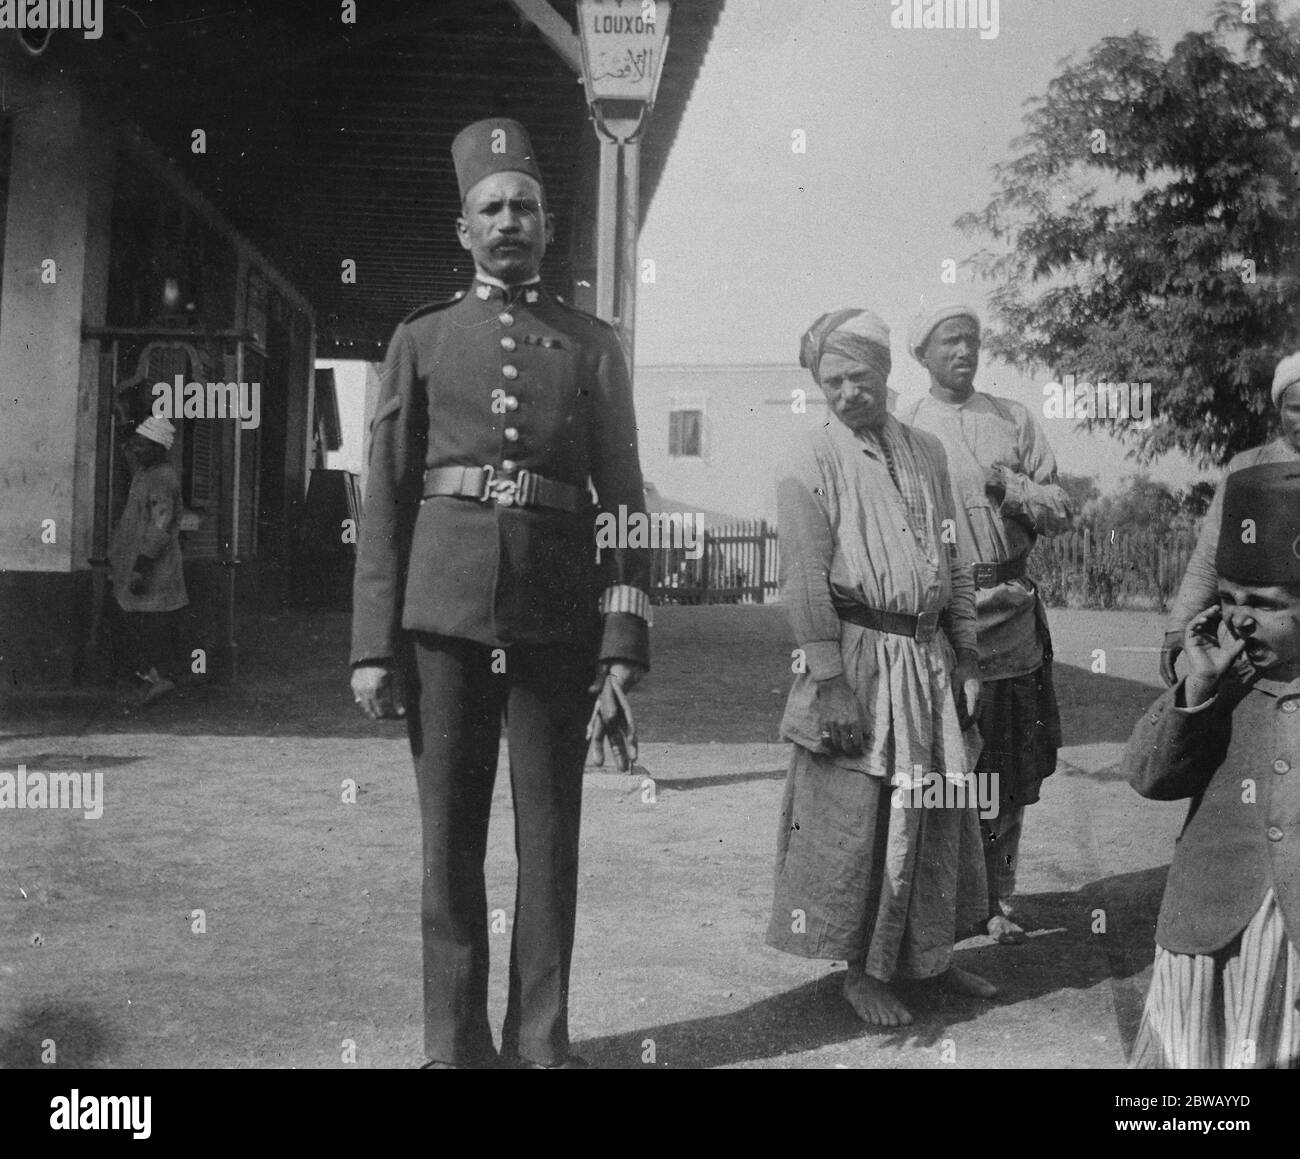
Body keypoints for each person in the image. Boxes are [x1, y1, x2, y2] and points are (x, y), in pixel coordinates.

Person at [349, 118, 651, 1070]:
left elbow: (626, 501)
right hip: (442, 618)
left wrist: (621, 635)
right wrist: (371, 644)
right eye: (492, 208)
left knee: (550, 838)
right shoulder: (423, 340)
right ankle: (452, 1046)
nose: (509, 219)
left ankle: (542, 1042)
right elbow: (386, 498)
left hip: (558, 619)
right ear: (463, 228)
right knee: (450, 840)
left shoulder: (593, 347)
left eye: (525, 205)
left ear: (549, 227)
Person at [766, 308, 996, 1028]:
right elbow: (803, 579)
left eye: (857, 376)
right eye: (830, 381)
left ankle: (931, 955)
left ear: (886, 370)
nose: (845, 392)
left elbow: (956, 561)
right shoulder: (810, 458)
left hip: (928, 659)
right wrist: (829, 680)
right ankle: (861, 972)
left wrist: (968, 654)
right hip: (860, 661)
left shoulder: (927, 449)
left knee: (937, 815)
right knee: (861, 823)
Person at [899, 303, 1070, 945]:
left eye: (972, 340)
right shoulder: (907, 425)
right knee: (947, 765)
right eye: (950, 341)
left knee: (1008, 764)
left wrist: (1012, 488)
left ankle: (999, 899)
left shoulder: (1012, 418)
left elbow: (1060, 506)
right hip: (945, 615)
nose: (965, 351)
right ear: (923, 355)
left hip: (1013, 610)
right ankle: (945, 900)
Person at [1125, 462, 1300, 1068]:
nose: (1239, 619)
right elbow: (1150, 778)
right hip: (1207, 923)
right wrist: (1196, 687)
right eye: (1228, 600)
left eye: (1265, 604)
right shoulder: (1226, 680)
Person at [1160, 352, 1300, 686]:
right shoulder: (1247, 468)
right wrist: (1180, 624)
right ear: (1279, 409)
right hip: (1257, 645)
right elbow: (1211, 553)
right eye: (1296, 408)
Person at [109, 415, 187, 704]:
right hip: (135, 564)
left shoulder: (162, 478)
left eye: (145, 446)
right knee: (139, 623)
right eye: (137, 445)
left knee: (155, 626)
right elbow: (128, 452)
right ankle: (151, 680)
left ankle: (161, 680)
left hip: (153, 568)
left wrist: (141, 567)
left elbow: (161, 524)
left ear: (160, 448)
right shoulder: (145, 472)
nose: (138, 450)